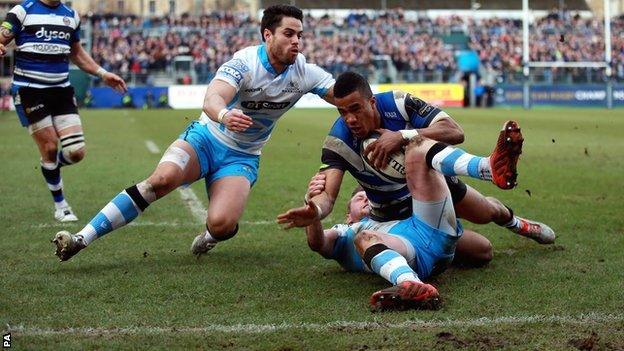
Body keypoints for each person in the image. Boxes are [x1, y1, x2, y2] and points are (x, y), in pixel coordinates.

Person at [51, 4, 335, 261]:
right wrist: (225, 114)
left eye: (300, 35)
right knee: (161, 181)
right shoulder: (244, 62)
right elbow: (212, 99)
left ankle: (210, 237)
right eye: (289, 33)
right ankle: (81, 239)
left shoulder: (305, 72)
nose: (296, 41)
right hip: (206, 138)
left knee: (223, 225)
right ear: (267, 35)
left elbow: (344, 96)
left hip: (243, 156)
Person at [278, 71, 554, 268]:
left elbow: (455, 132)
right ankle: (423, 256)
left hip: (432, 183)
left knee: (488, 212)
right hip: (396, 216)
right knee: (483, 252)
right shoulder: (338, 142)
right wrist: (314, 211)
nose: (349, 118)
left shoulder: (399, 103)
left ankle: (520, 224)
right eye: (342, 112)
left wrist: (403, 135)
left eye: (355, 109)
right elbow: (328, 195)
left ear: (372, 102)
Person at [278, 119, 526, 310]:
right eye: (358, 198)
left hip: (432, 238)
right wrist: (312, 213)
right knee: (365, 238)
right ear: (348, 215)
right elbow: (318, 243)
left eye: (366, 194)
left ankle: (511, 209)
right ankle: (411, 284)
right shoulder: (347, 232)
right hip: (415, 253)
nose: (365, 198)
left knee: (484, 249)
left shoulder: (391, 216)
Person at [0, 0, 127, 222]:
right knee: (49, 146)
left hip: (61, 90)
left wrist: (103, 73)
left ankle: (50, 167)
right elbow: (2, 37)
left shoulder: (71, 15)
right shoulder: (21, 11)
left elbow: (76, 53)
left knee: (76, 152)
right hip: (30, 90)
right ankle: (61, 206)